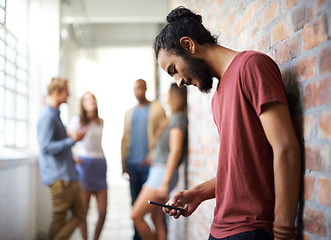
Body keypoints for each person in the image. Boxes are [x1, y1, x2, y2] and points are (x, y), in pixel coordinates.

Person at [154, 6, 301, 240]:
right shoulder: (218, 96)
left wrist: (283, 232)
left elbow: (285, 148)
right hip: (220, 227)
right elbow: (240, 168)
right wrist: (197, 194)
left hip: (251, 229)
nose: (179, 82)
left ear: (188, 45)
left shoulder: (252, 66)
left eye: (174, 70)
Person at [131, 83, 188, 240]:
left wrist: (165, 181)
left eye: (167, 93)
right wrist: (152, 158)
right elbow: (167, 150)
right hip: (158, 170)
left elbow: (175, 151)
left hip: (162, 174)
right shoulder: (174, 117)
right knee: (157, 219)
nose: (165, 96)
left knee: (136, 215)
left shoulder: (178, 119)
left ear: (175, 95)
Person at [37, 77, 87, 240]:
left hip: (68, 175)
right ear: (58, 92)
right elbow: (45, 147)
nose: (69, 94)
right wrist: (73, 140)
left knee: (80, 214)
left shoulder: (55, 115)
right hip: (60, 178)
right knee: (59, 219)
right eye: (66, 91)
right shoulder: (48, 117)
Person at [121, 79, 167, 240]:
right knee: (135, 204)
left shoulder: (156, 109)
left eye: (140, 88)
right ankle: (138, 236)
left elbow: (164, 134)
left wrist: (154, 153)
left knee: (155, 209)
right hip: (132, 165)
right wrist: (123, 163)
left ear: (145, 88)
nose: (137, 92)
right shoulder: (129, 113)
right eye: (135, 89)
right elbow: (125, 138)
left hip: (150, 166)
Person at [68, 92, 107, 240]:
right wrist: (74, 156)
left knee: (102, 211)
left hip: (100, 164)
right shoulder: (77, 121)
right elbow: (67, 142)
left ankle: (95, 238)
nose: (90, 101)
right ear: (82, 104)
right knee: (84, 210)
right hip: (84, 166)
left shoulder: (100, 121)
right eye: (87, 99)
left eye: (92, 99)